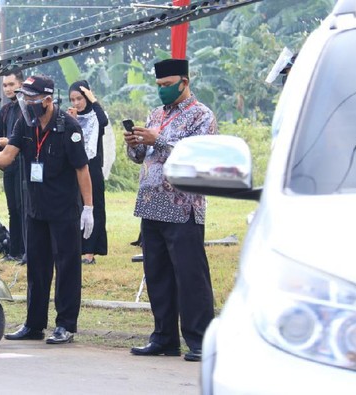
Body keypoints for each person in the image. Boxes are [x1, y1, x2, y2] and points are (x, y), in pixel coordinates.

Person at [0, 74, 94, 345]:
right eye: (23, 98)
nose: (25, 103)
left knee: (67, 267)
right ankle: (34, 323)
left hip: (64, 209)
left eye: (31, 99)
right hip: (35, 208)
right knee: (37, 267)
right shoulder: (23, 124)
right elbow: (7, 157)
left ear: (47, 100)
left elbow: (82, 169)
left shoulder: (68, 126)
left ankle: (65, 325)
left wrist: (89, 208)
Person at [125, 59, 217, 362]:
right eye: (159, 86)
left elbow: (200, 155)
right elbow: (143, 157)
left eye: (168, 85)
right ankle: (164, 338)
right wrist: (135, 143)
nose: (163, 91)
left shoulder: (201, 116)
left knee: (190, 276)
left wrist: (158, 139)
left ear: (184, 82)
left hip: (183, 206)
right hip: (150, 206)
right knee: (157, 275)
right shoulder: (156, 114)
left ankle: (200, 340)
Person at [0, 70, 26, 263]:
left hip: (25, 165)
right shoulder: (5, 110)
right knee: (13, 209)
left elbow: (28, 137)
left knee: (24, 207)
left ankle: (28, 250)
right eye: (5, 85)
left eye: (11, 84)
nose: (8, 88)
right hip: (8, 165)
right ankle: (14, 250)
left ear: (21, 83)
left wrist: (7, 141)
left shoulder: (27, 107)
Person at [67, 80, 108, 265]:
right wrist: (72, 121)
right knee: (75, 207)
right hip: (74, 168)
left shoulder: (95, 116)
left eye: (80, 99)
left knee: (94, 207)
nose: (76, 103)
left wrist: (94, 99)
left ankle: (90, 251)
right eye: (73, 99)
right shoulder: (70, 117)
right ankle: (77, 247)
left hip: (92, 167)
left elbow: (103, 121)